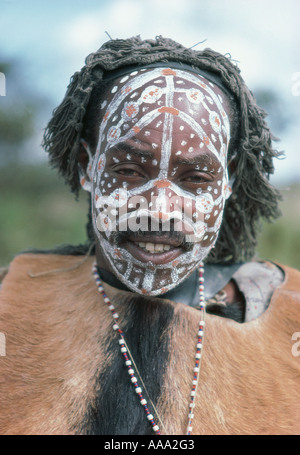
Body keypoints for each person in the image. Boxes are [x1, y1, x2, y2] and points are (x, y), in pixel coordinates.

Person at [0, 36, 299, 436]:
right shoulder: (12, 299)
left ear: (227, 180)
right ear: (89, 166)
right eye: (129, 171)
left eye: (195, 178)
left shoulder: (285, 315)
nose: (159, 210)